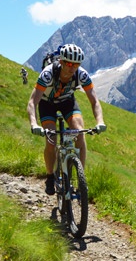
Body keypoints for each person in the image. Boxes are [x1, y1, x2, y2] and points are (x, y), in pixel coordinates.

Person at [26, 43, 106, 195]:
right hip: (46, 103)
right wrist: (33, 123)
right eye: (69, 63)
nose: (72, 68)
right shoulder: (48, 74)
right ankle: (50, 176)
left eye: (76, 64)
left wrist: (100, 121)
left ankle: (80, 180)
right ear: (61, 61)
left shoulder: (81, 74)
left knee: (79, 133)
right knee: (51, 138)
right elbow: (32, 102)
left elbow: (94, 101)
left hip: (67, 102)